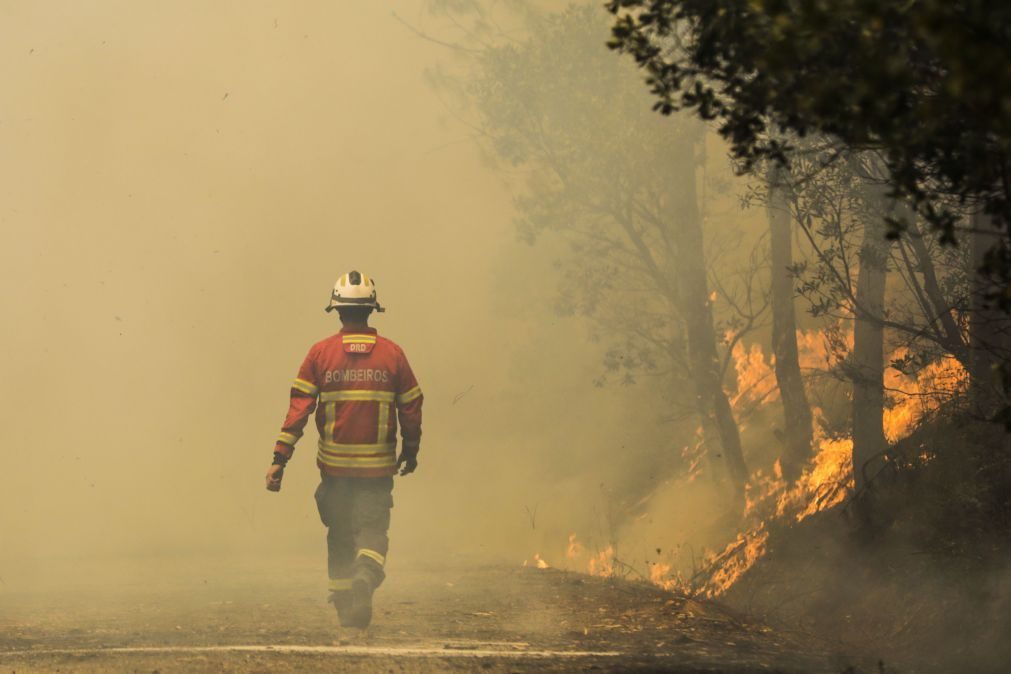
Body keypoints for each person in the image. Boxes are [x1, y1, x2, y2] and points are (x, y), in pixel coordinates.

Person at [265, 270, 423, 628]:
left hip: (334, 471)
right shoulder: (393, 355)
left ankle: (343, 604)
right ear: (371, 310)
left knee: (338, 533)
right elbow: (412, 406)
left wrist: (279, 459)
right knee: (371, 531)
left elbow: (298, 410)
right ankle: (365, 577)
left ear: (336, 310)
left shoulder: (320, 354)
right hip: (377, 471)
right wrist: (411, 451)